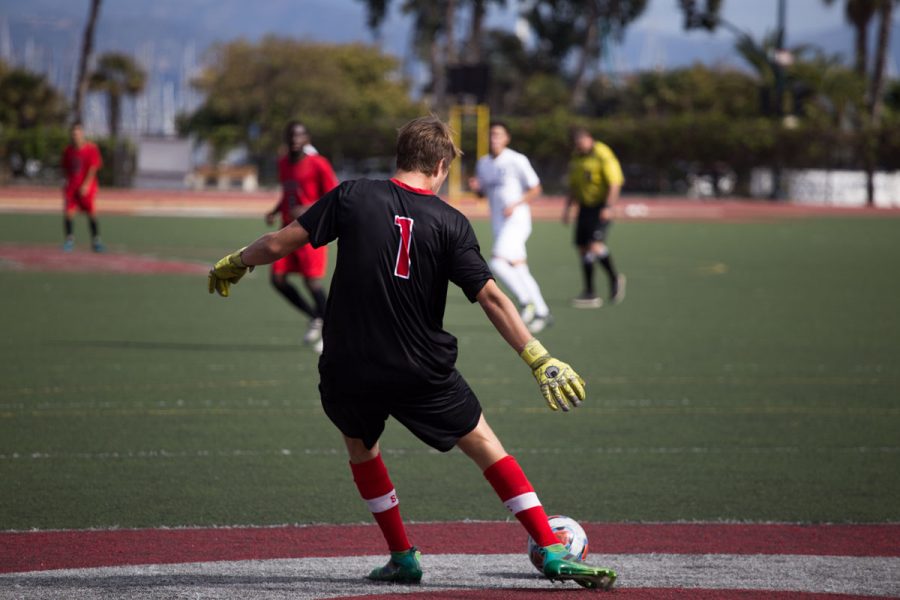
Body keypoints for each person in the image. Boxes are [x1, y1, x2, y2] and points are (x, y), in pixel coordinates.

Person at [208, 116, 616, 590]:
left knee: (362, 449)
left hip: (348, 365)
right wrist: (538, 358)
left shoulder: (352, 195)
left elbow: (280, 242)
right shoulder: (450, 221)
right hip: (419, 366)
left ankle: (403, 556)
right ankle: (550, 549)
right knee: (486, 446)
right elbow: (491, 297)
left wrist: (236, 261)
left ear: (399, 156)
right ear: (440, 165)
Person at [469, 121, 552, 333]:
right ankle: (542, 310)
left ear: (507, 138)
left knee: (497, 263)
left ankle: (526, 302)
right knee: (519, 267)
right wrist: (477, 189)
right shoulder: (484, 163)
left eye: (498, 135)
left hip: (517, 220)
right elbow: (483, 194)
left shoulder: (516, 160)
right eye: (490, 135)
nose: (493, 139)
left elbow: (536, 188)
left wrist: (515, 204)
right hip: (498, 223)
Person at [265, 121, 338, 352]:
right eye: (291, 135)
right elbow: (288, 194)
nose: (295, 139)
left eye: (300, 136)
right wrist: (276, 210)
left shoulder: (319, 164)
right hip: (287, 229)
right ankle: (315, 316)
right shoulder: (283, 163)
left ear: (307, 139)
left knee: (311, 281)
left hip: (310, 231)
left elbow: (335, 196)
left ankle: (331, 331)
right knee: (277, 279)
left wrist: (308, 209)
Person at [563, 127, 626, 308]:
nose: (580, 146)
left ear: (589, 139)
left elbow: (615, 182)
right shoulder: (577, 157)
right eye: (577, 144)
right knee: (583, 248)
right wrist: (568, 208)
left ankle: (615, 278)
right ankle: (590, 292)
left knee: (595, 246)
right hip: (584, 207)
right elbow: (574, 185)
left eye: (581, 142)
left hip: (600, 207)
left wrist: (608, 206)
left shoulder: (603, 154)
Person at [61, 121, 104, 252]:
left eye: (78, 133)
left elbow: (93, 168)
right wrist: (65, 183)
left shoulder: (91, 149)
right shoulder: (68, 151)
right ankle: (69, 240)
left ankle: (96, 241)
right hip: (72, 188)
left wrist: (86, 185)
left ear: (82, 134)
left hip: (87, 188)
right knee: (68, 214)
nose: (76, 136)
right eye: (73, 133)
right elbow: (65, 169)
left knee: (92, 214)